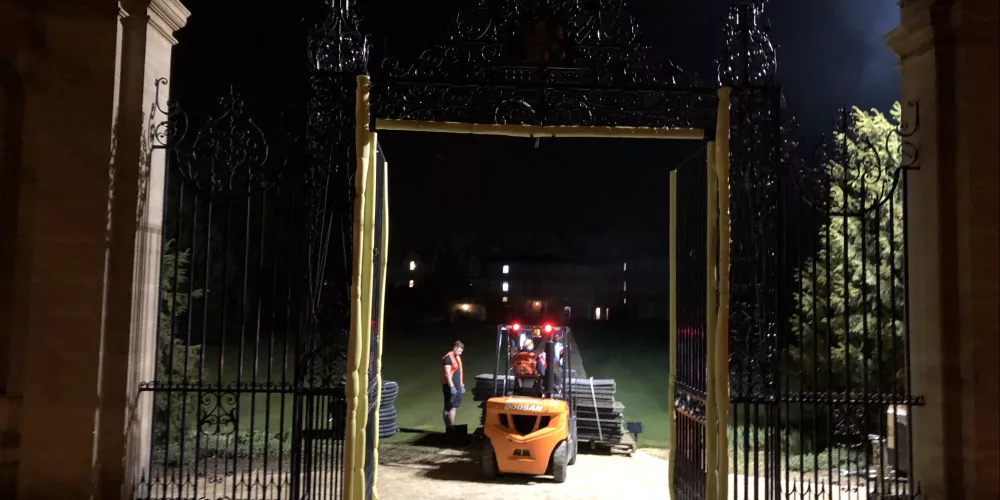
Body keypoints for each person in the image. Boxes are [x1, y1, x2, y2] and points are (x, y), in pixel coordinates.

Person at [441, 340, 465, 430]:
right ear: (455, 348)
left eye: (461, 351)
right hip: (449, 386)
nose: (460, 353)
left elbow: (460, 372)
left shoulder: (457, 357)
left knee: (454, 407)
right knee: (448, 407)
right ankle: (449, 427)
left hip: (457, 386)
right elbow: (447, 373)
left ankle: (452, 427)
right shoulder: (447, 358)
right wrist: (451, 386)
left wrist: (461, 385)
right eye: (459, 351)